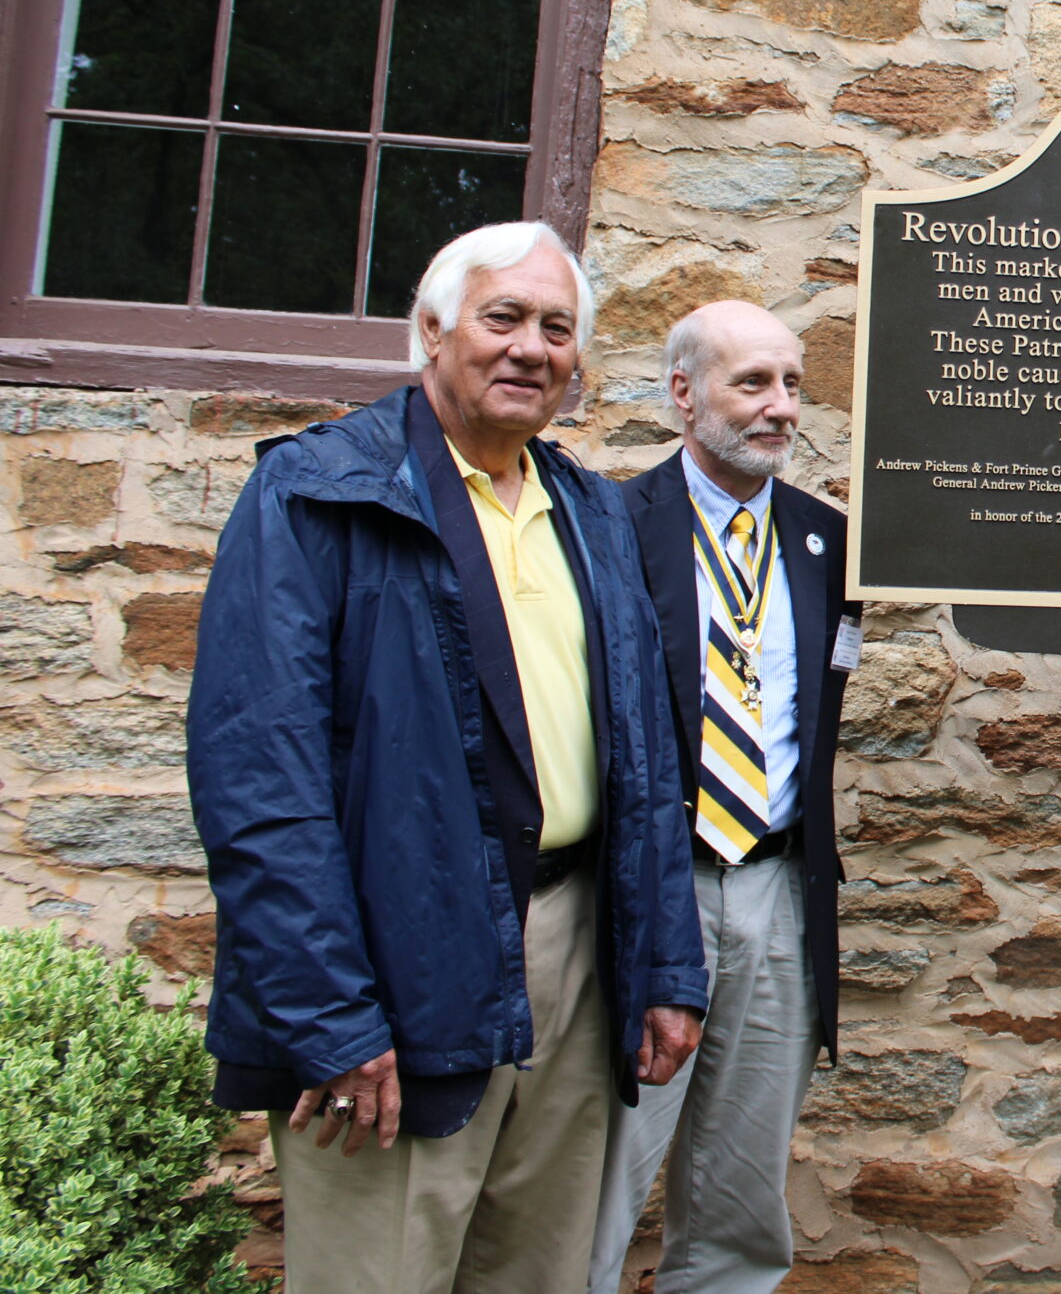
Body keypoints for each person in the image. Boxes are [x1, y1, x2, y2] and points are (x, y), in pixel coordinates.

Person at [186, 221, 708, 1294]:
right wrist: (330, 1019)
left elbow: (647, 769)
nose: (530, 348)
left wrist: (663, 967)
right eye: (502, 317)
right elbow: (258, 780)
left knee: (540, 1274)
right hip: (393, 959)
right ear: (431, 331)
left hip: (577, 958)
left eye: (556, 329)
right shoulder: (317, 493)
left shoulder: (593, 513)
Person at [590, 302, 855, 1294]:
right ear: (682, 393)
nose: (780, 407)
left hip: (780, 894)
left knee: (743, 1200)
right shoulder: (610, 529)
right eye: (752, 383)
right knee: (601, 1184)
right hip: (656, 894)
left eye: (791, 383)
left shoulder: (828, 544)